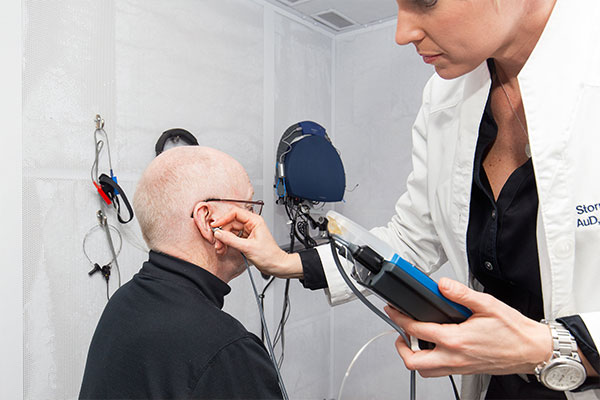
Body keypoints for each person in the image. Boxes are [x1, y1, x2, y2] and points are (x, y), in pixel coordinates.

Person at [210, 0, 600, 398]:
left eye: (425, 1)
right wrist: (285, 262)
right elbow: (411, 240)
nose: (402, 34)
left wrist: (549, 349)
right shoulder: (445, 94)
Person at [79, 146, 282, 400]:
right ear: (208, 221)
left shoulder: (121, 305)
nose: (257, 222)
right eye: (250, 207)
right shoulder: (227, 350)